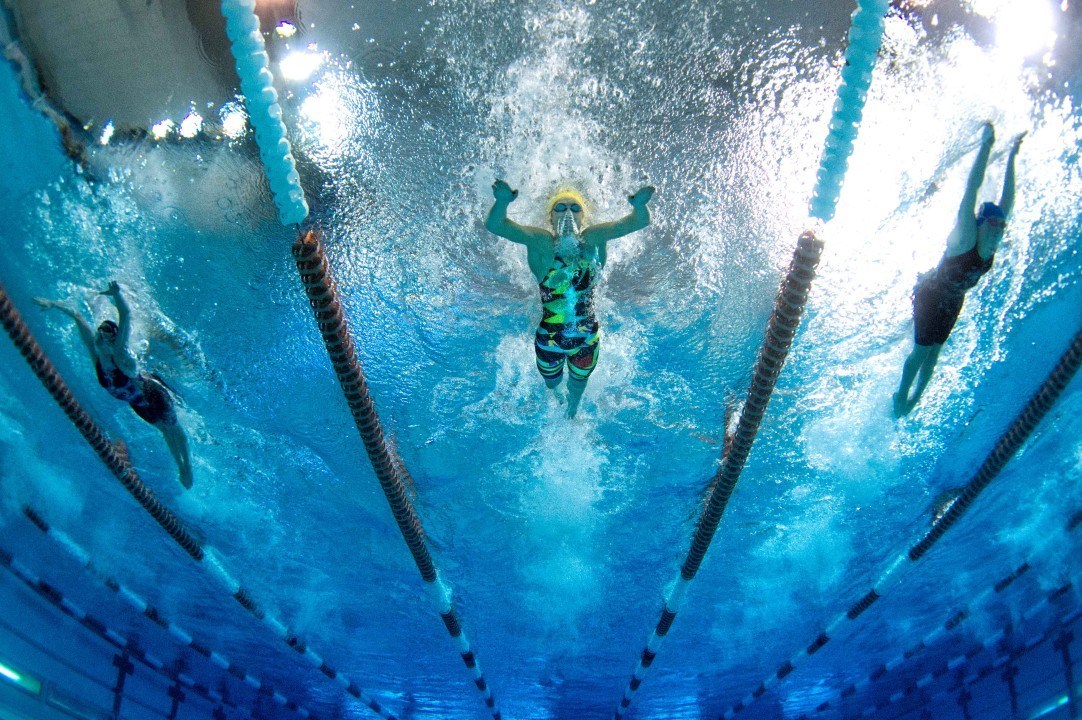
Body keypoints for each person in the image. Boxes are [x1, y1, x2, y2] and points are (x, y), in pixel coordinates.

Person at [485, 179, 655, 418]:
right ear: (551, 218)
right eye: (560, 208)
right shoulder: (541, 243)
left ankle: (572, 412)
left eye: (575, 208)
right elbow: (496, 225)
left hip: (587, 340)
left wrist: (639, 206)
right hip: (549, 340)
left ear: (583, 217)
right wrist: (501, 202)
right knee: (552, 384)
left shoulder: (594, 238)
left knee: (577, 386)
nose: (567, 213)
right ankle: (558, 399)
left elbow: (639, 221)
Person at [893, 122, 1023, 418]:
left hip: (953, 300)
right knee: (921, 353)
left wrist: (1013, 155)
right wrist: (986, 146)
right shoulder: (966, 236)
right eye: (994, 225)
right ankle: (900, 395)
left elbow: (1008, 200)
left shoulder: (990, 243)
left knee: (934, 355)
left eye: (1002, 226)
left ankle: (913, 402)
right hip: (931, 293)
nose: (1000, 231)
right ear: (981, 223)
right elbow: (971, 190)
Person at [35, 282, 193, 488]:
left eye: (104, 334)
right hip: (137, 403)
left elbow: (126, 316)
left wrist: (117, 295)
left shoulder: (122, 357)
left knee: (173, 428)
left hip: (154, 396)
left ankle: (186, 467)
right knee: (165, 431)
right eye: (99, 332)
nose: (99, 335)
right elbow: (77, 315)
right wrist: (52, 303)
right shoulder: (98, 358)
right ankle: (181, 467)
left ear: (113, 341)